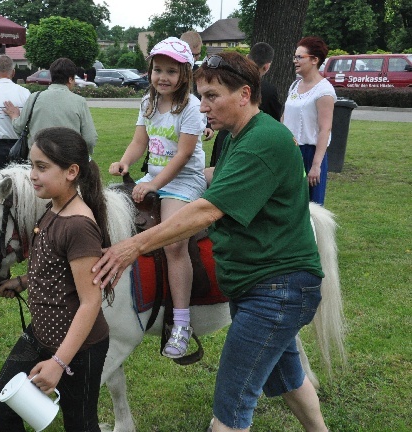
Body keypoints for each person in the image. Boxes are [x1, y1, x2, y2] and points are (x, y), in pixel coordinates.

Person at [92, 51, 329, 432]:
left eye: (212, 96)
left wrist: (133, 246)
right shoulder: (241, 135)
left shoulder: (263, 140)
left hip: (275, 291)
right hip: (262, 286)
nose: (202, 108)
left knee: (230, 413)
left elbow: (206, 212)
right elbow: (223, 174)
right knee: (289, 379)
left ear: (243, 94)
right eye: (201, 97)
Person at [0, 127, 112, 432]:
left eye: (42, 167)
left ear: (72, 172)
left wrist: (59, 363)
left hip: (78, 350)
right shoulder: (52, 208)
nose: (33, 175)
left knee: (79, 424)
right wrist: (23, 281)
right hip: (39, 334)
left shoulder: (78, 225)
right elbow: (57, 268)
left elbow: (90, 301)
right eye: (32, 165)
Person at [109, 37, 206, 359]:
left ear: (184, 75)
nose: (162, 77)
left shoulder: (191, 107)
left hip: (184, 180)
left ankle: (181, 322)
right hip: (154, 176)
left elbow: (184, 154)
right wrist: (125, 161)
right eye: (157, 70)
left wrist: (154, 185)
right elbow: (140, 141)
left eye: (171, 72)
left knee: (174, 242)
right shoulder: (147, 103)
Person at [210, 42, 283, 166]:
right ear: (267, 67)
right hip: (253, 145)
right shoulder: (269, 91)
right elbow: (274, 121)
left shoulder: (229, 82)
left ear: (248, 57)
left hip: (225, 139)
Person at [3, 58, 98, 154]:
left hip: (39, 159)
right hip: (67, 160)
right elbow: (90, 139)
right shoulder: (79, 102)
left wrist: (14, 116)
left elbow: (19, 128)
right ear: (70, 79)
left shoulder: (34, 98)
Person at [283, 36, 336, 206]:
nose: (295, 61)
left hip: (309, 153)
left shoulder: (324, 91)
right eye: (295, 57)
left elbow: (324, 130)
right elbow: (284, 118)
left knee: (310, 207)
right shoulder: (294, 86)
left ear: (314, 60)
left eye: (300, 57)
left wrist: (316, 165)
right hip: (290, 151)